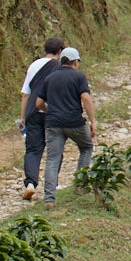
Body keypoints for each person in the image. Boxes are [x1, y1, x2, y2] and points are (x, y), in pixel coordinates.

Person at [37, 46, 97, 204]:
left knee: (52, 159)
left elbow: (38, 103)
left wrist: (49, 110)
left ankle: (49, 198)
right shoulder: (78, 77)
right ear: (75, 62)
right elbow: (86, 98)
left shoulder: (50, 78)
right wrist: (92, 121)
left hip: (53, 123)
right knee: (86, 148)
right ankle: (79, 184)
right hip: (74, 122)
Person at [19, 37, 65, 201]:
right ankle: (51, 185)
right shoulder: (61, 67)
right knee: (55, 150)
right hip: (52, 113)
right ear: (60, 51)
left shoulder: (34, 65)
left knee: (33, 149)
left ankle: (30, 183)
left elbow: (25, 94)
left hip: (33, 112)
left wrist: (23, 117)